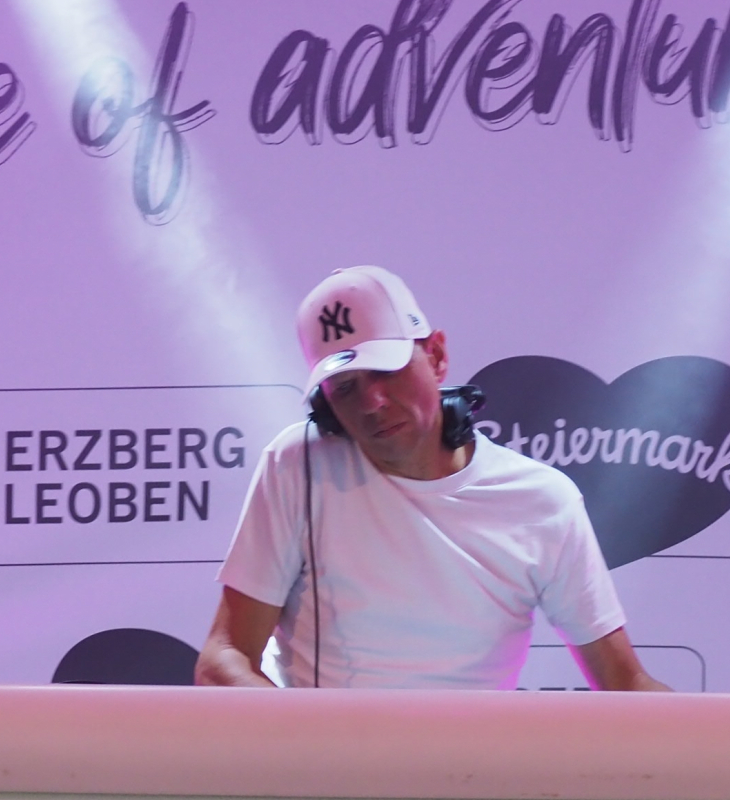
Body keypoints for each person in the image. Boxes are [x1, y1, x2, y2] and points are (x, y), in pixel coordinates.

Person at [197, 265, 668, 691]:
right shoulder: (296, 463)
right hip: (320, 756)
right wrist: (304, 738)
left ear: (437, 356)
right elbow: (223, 657)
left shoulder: (544, 499)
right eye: (345, 388)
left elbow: (625, 683)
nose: (371, 403)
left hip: (470, 758)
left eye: (386, 371)